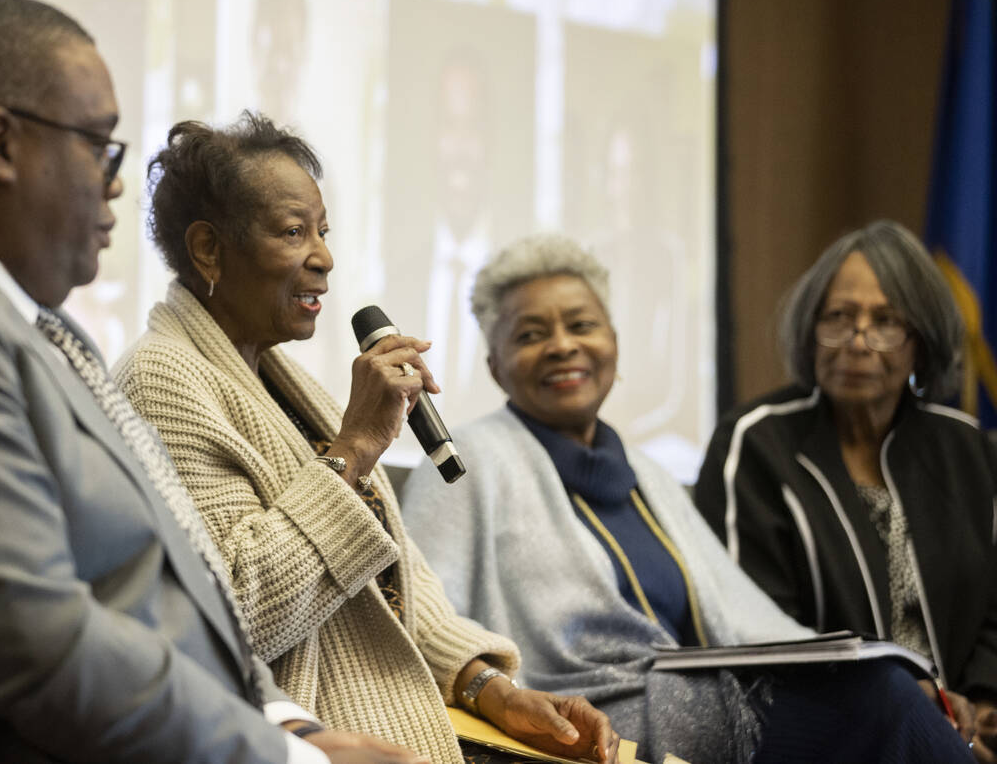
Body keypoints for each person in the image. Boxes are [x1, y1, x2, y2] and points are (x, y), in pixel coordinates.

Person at [0, 0, 424, 764]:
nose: (116, 183)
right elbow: (33, 644)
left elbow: (179, 603)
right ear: (1, 144)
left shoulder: (32, 331)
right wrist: (292, 759)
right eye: (99, 147)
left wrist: (288, 725)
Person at [113, 114, 620, 764]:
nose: (324, 256)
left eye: (323, 231)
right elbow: (238, 608)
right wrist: (353, 447)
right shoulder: (161, 378)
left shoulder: (280, 378)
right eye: (294, 231)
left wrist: (490, 688)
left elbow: (392, 579)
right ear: (209, 249)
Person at [399, 235, 979, 763]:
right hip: (582, 722)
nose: (562, 346)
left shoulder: (647, 473)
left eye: (581, 325)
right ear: (495, 365)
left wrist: (880, 663)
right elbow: (423, 620)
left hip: (697, 704)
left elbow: (747, 620)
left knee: (889, 692)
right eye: (530, 335)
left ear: (614, 344)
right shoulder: (462, 460)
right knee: (883, 705)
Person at [695, 219, 997, 761]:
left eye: (885, 322)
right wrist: (917, 706)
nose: (857, 340)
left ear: (921, 340)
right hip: (836, 733)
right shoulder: (757, 444)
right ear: (811, 330)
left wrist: (982, 696)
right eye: (838, 318)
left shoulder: (967, 449)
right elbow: (752, 633)